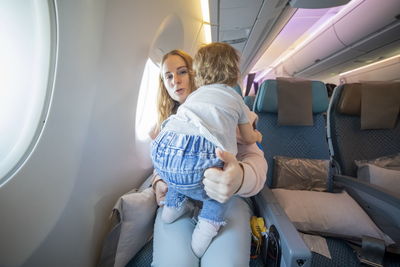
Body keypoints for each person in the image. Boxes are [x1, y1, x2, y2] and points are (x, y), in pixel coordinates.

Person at [150, 49, 267, 266]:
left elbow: (258, 163)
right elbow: (160, 164)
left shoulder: (234, 108)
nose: (175, 80)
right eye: (168, 76)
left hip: (229, 200)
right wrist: (158, 181)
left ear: (196, 73)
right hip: (180, 199)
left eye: (182, 71)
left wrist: (239, 178)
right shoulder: (167, 123)